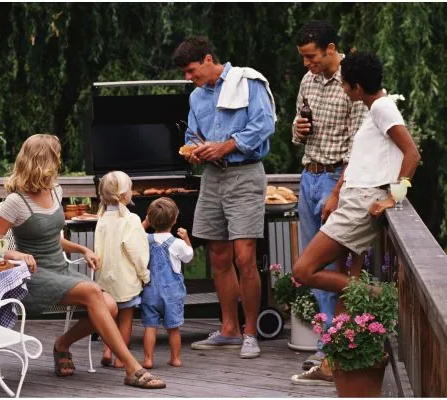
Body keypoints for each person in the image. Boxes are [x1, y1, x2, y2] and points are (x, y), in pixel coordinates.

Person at [0, 135, 165, 389]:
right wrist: (14, 254)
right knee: (94, 292)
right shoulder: (16, 202)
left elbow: (52, 238)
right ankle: (131, 368)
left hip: (59, 269)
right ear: (44, 160)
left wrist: (82, 248)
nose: (60, 161)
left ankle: (62, 345)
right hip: (32, 276)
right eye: (56, 155)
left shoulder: (55, 190)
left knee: (111, 305)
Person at [290, 52, 420, 385]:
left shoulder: (382, 108)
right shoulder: (372, 108)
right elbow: (360, 158)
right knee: (342, 279)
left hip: (362, 203)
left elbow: (411, 153)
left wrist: (394, 196)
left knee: (304, 271)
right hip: (352, 198)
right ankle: (335, 361)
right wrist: (335, 194)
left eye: (346, 84)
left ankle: (374, 293)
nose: (344, 90)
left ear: (357, 86)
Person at [172, 36, 276, 359]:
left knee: (245, 257)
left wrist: (225, 145)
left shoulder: (248, 81)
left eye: (192, 71)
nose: (189, 78)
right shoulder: (195, 97)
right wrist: (194, 150)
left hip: (245, 172)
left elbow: (264, 125)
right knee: (217, 255)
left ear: (207, 59)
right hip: (212, 177)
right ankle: (229, 329)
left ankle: (250, 333)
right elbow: (193, 134)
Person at [292, 20, 368, 372]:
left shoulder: (352, 85)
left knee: (331, 266)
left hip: (337, 178)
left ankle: (335, 344)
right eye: (304, 58)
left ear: (331, 49)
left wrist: (337, 193)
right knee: (310, 268)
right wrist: (298, 128)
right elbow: (298, 129)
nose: (308, 64)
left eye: (312, 57)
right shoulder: (308, 80)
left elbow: (358, 147)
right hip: (309, 175)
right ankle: (327, 342)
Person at [93, 170, 151, 369]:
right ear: (126, 195)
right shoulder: (131, 220)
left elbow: (97, 249)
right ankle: (120, 358)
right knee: (126, 318)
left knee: (109, 317)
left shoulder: (101, 218)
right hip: (125, 280)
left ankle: (107, 350)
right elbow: (137, 251)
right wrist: (145, 274)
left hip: (105, 279)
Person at [140, 197, 194, 369]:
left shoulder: (145, 239)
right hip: (172, 293)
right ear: (175, 219)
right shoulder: (177, 243)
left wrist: (146, 222)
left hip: (150, 291)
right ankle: (175, 358)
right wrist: (186, 238)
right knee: (173, 328)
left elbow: (135, 234)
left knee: (150, 327)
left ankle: (148, 359)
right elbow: (189, 256)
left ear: (150, 219)